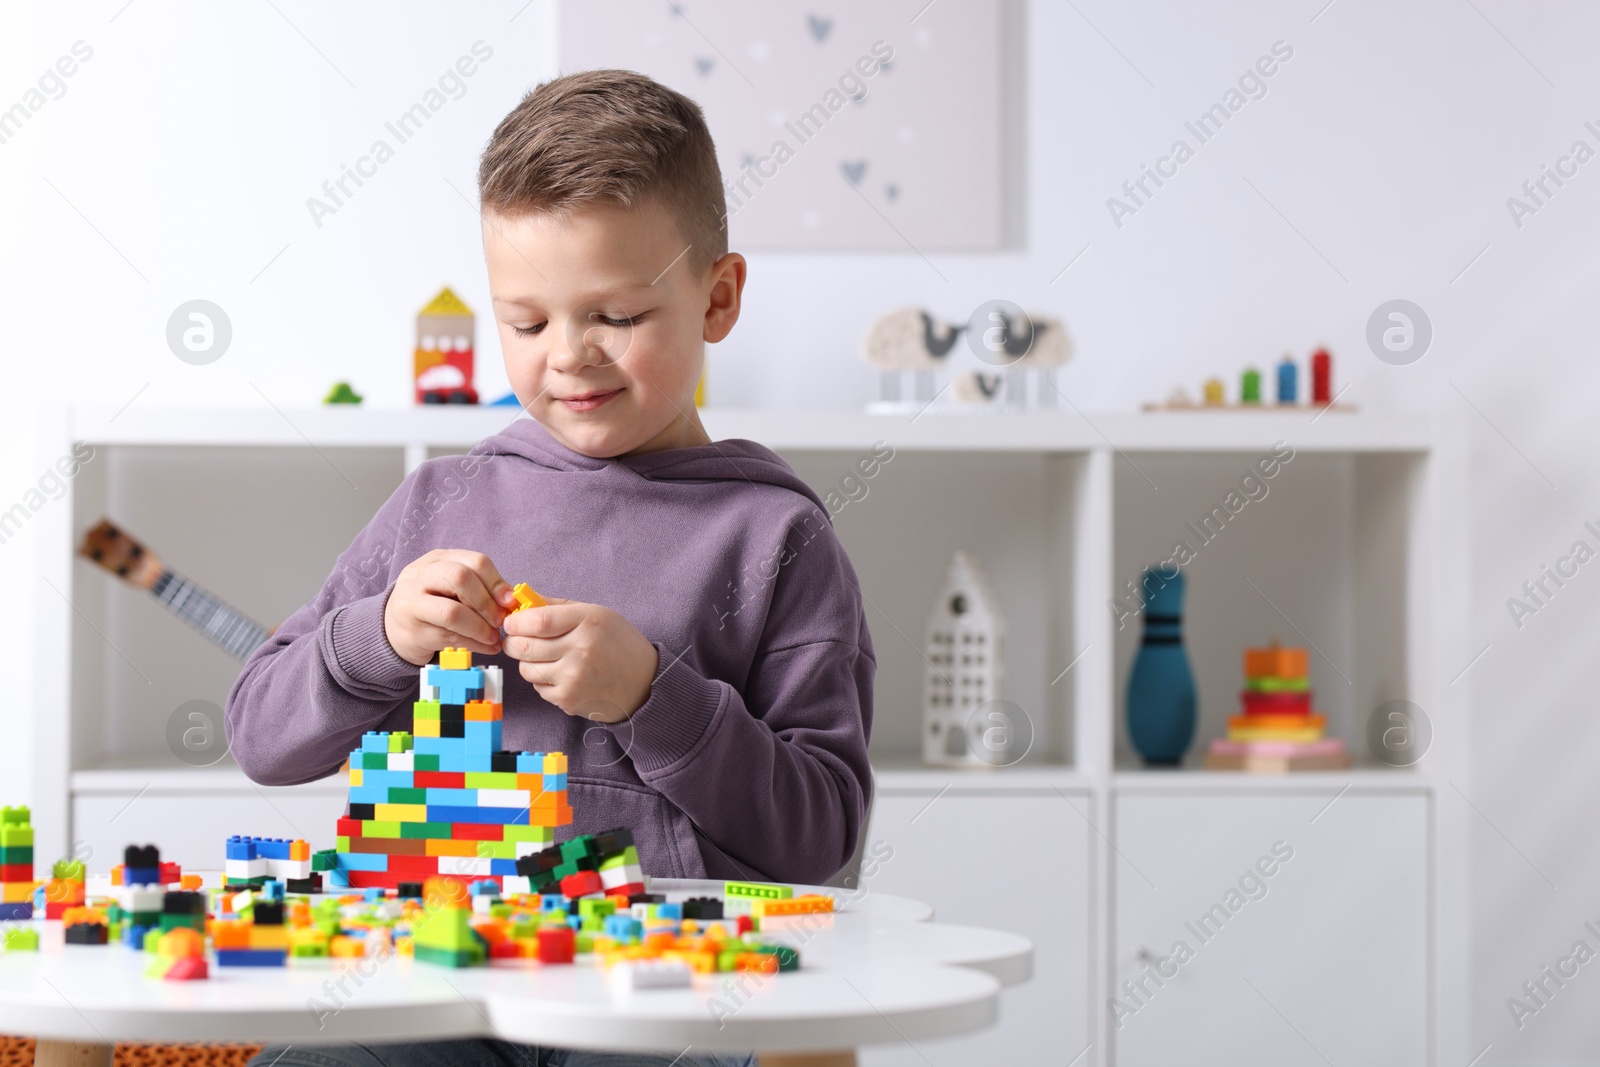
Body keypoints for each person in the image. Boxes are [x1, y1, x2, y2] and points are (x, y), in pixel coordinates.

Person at [229, 68, 875, 1067]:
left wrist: (658, 698)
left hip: (665, 983)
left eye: (614, 315)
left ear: (718, 296)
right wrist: (378, 639)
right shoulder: (438, 502)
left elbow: (820, 832)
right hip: (431, 974)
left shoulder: (773, 536)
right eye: (526, 322)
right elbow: (261, 736)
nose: (567, 355)